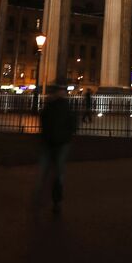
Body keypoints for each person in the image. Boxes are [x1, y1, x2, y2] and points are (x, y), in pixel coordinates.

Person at [34, 81, 79, 214]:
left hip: (58, 143)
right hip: (52, 143)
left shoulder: (56, 106)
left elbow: (72, 123)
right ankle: (44, 198)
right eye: (61, 91)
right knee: (49, 172)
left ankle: (54, 200)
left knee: (54, 173)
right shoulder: (56, 106)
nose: (62, 93)